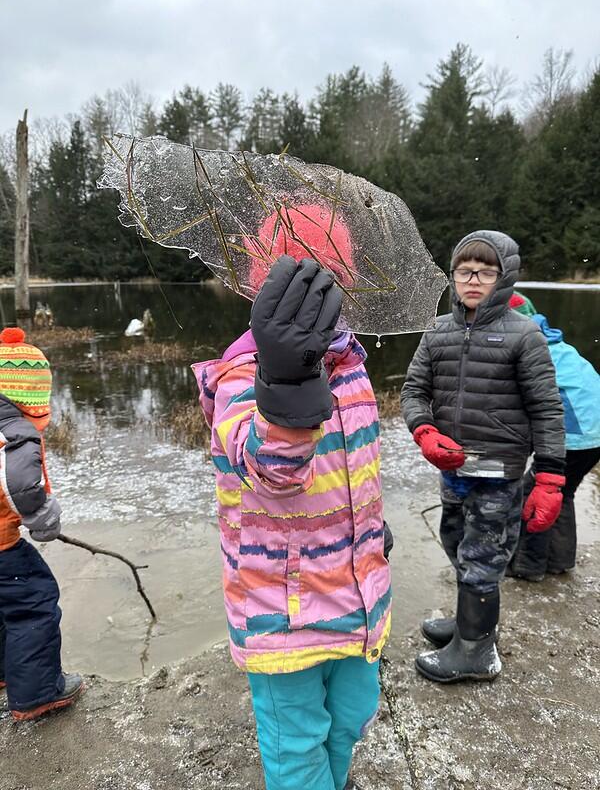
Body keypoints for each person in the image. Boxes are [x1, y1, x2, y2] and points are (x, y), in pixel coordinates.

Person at [193, 254, 392, 790]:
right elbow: (272, 469)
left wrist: (372, 525)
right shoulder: (241, 373)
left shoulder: (351, 364)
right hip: (284, 611)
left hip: (359, 595)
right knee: (296, 743)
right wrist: (284, 382)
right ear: (264, 288)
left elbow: (356, 467)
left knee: (351, 718)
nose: (322, 295)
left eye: (333, 280)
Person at [400, 231, 565, 683]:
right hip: (452, 467)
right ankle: (471, 624)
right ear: (452, 276)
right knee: (454, 541)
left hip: (500, 471)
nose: (474, 281)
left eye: (486, 272)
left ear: (504, 277)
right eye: (464, 271)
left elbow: (547, 408)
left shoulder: (524, 336)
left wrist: (550, 477)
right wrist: (424, 430)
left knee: (483, 555)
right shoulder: (438, 330)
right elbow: (413, 391)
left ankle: (475, 651)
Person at [0, 327, 83, 721]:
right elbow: (21, 484)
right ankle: (37, 693)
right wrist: (43, 520)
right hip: (0, 544)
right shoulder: (13, 433)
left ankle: (4, 671)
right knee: (31, 600)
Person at [508, 293, 600, 580]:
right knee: (564, 491)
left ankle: (529, 566)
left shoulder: (526, 348)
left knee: (534, 494)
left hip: (575, 434)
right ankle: (560, 560)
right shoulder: (554, 341)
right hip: (595, 433)